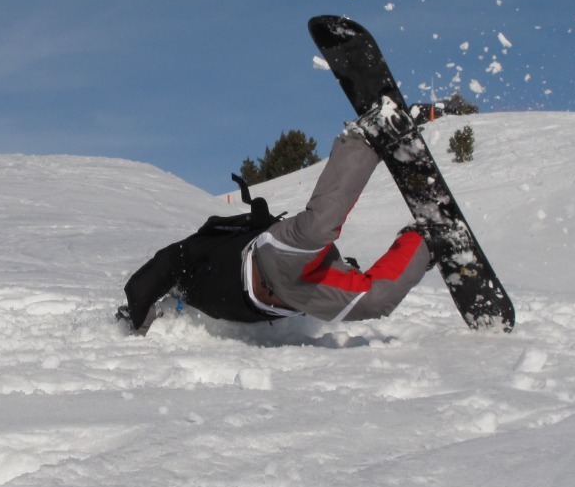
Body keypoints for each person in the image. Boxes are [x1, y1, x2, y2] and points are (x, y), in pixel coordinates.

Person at [118, 102, 434, 333]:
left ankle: (365, 138)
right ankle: (425, 241)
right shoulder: (189, 304)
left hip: (271, 256)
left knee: (318, 227)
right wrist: (145, 322)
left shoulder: (189, 256)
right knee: (374, 302)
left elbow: (154, 272)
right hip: (299, 297)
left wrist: (137, 315)